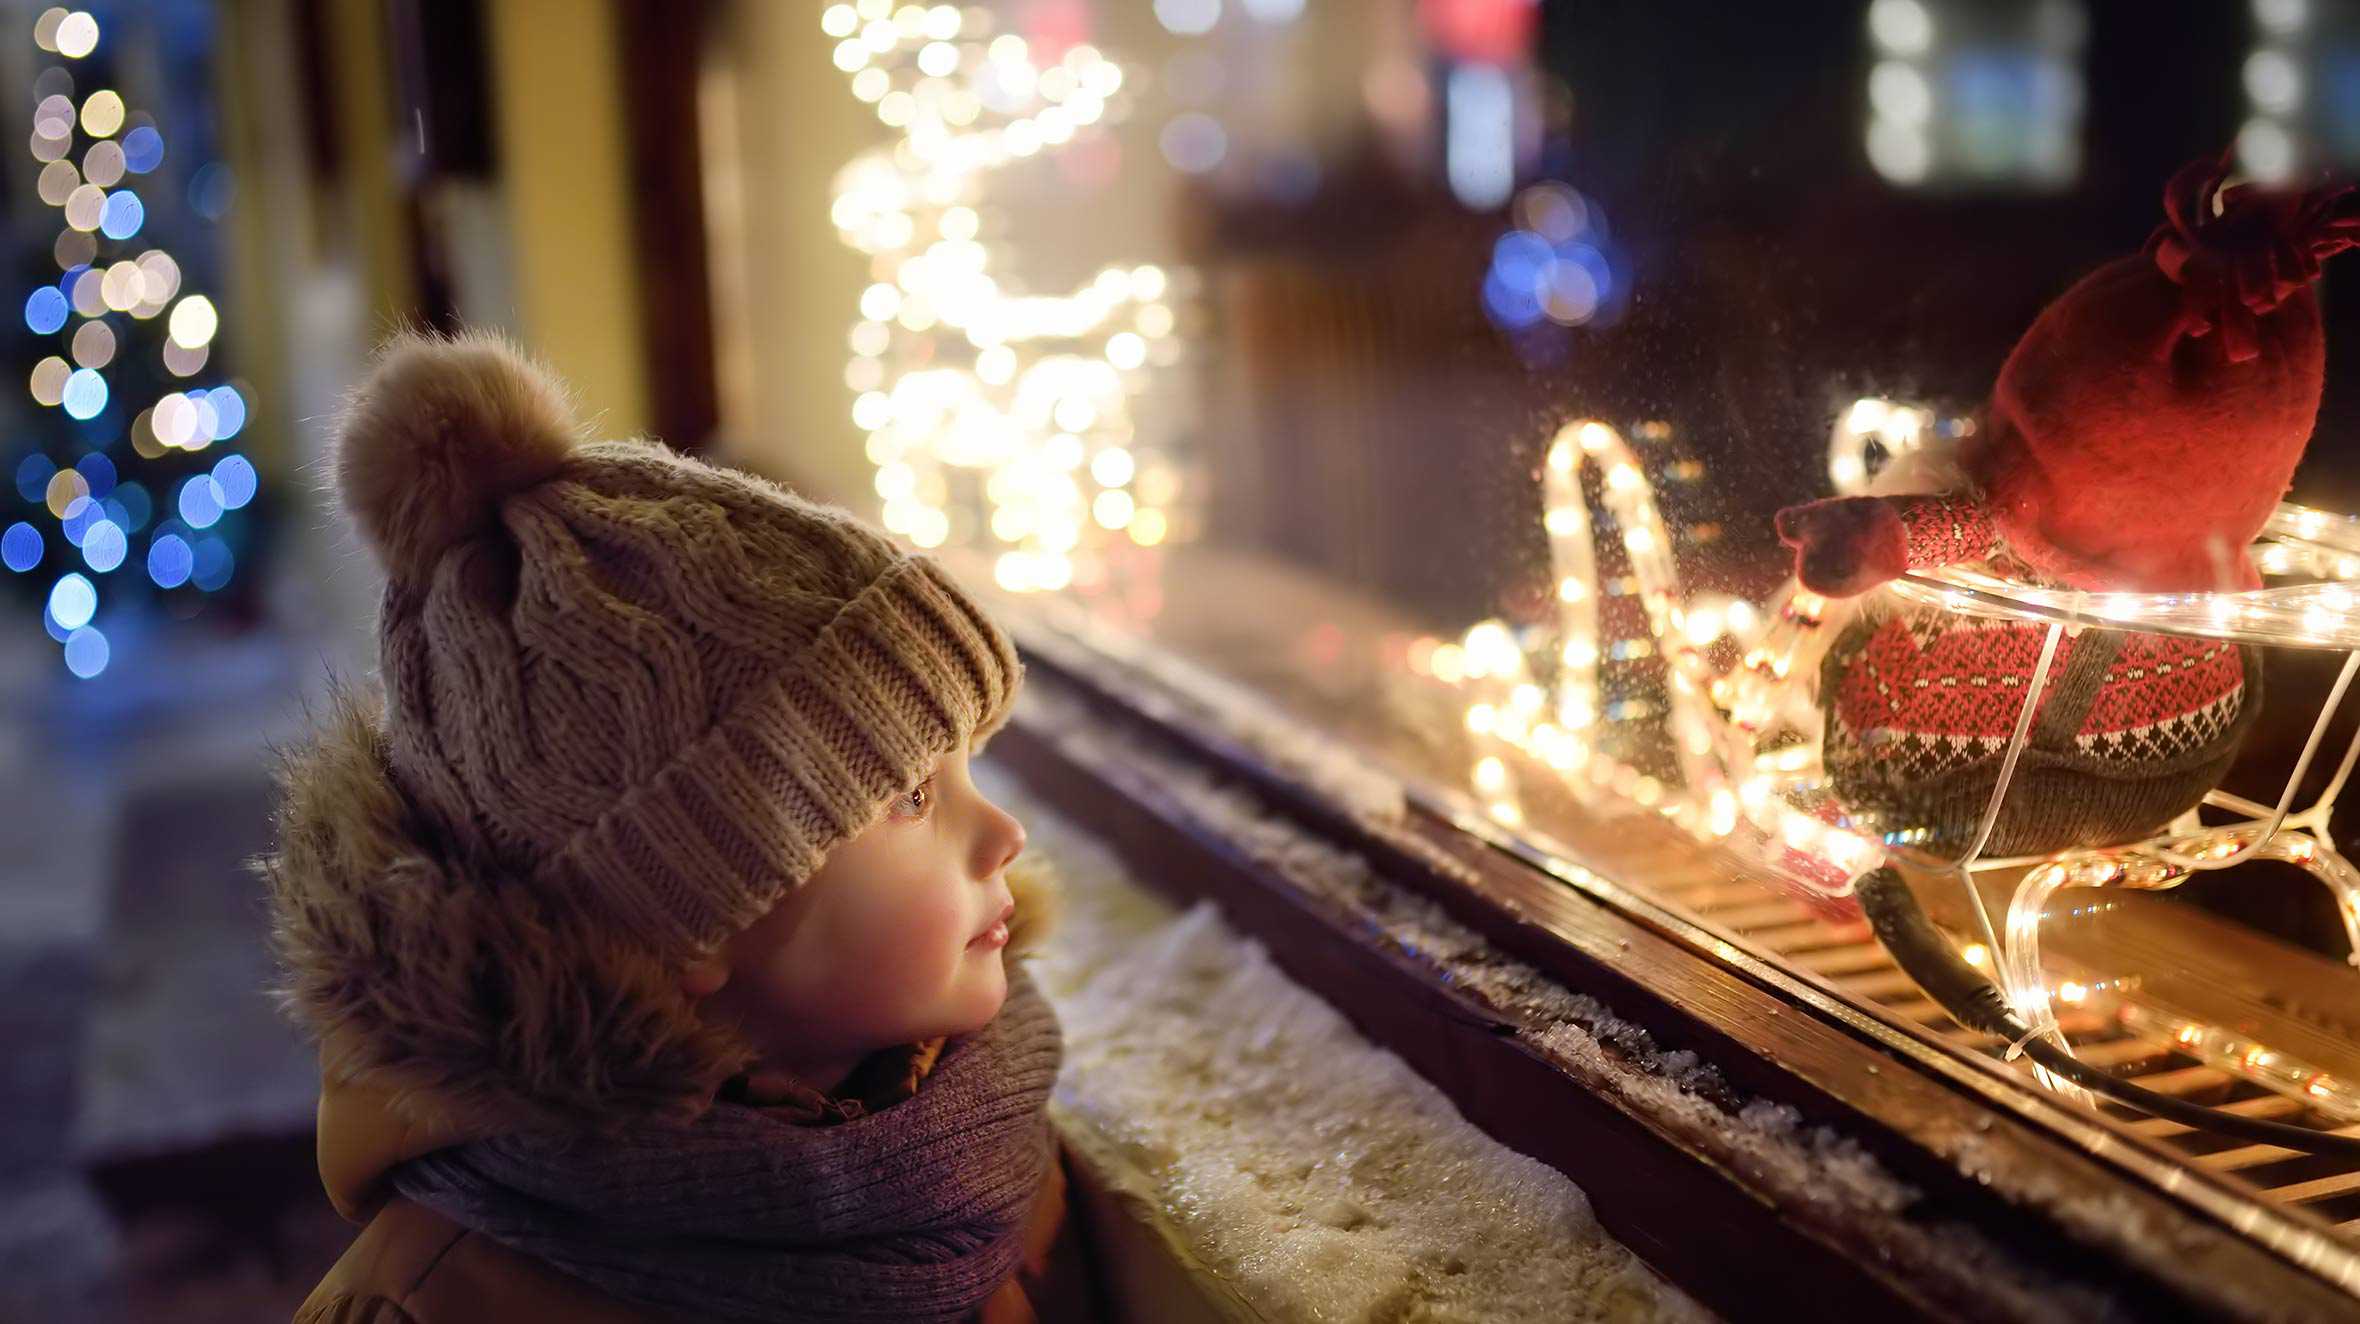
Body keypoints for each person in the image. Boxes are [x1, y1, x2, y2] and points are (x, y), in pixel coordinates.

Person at [261, 330, 1095, 1322]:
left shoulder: (978, 1138)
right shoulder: (436, 1302)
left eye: (966, 766)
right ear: (688, 923)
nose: (1004, 833)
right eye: (911, 795)